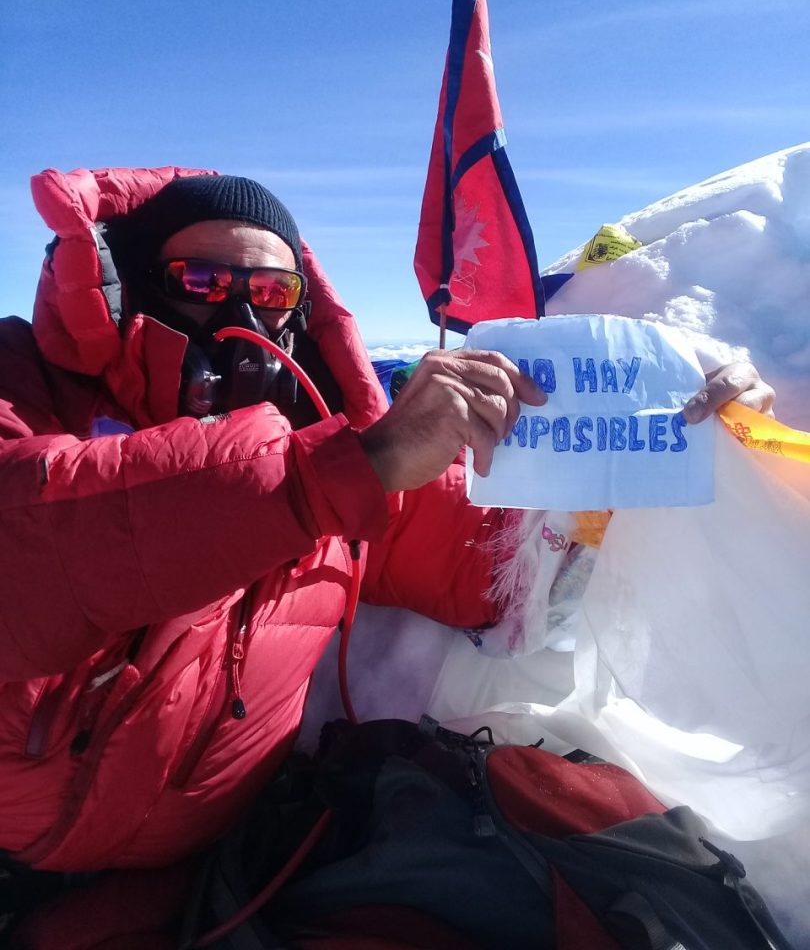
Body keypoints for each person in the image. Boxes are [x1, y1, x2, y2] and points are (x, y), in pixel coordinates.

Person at [0, 167, 774, 946]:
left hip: (209, 859)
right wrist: (339, 471)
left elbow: (484, 572)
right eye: (199, 280)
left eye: (270, 294)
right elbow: (32, 549)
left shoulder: (327, 444)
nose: (238, 315)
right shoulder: (26, 384)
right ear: (128, 285)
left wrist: (659, 426)